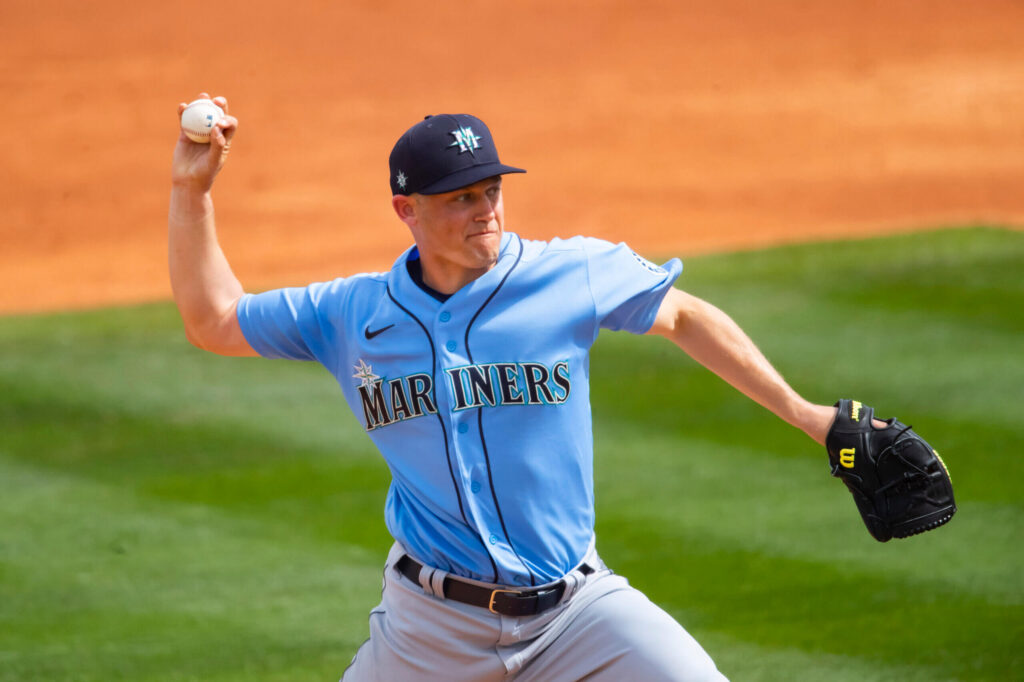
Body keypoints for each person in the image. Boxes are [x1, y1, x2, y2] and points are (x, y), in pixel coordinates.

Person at [168, 94, 865, 681]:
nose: (486, 211)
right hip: (429, 632)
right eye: (461, 198)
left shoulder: (570, 274)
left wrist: (810, 417)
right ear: (404, 210)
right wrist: (191, 192)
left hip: (576, 614)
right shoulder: (352, 314)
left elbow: (684, 314)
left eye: (492, 190)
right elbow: (215, 320)